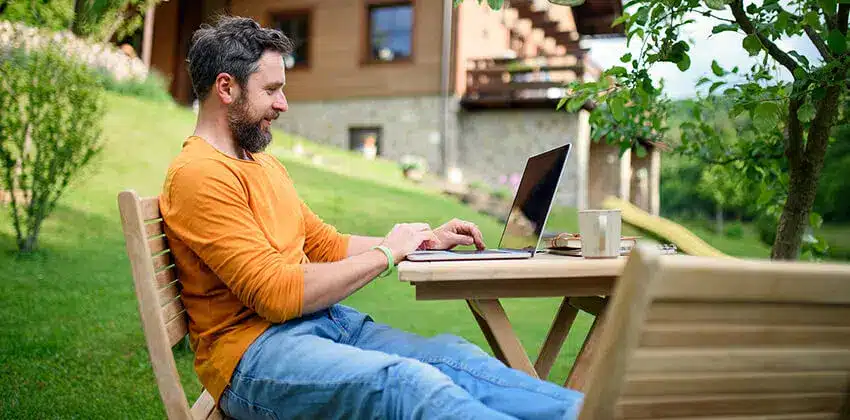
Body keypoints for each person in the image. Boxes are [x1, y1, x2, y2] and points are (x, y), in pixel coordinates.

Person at [159, 15, 584, 420]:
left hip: (326, 325)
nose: (284, 104)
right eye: (271, 90)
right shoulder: (200, 175)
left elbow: (323, 244)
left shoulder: (261, 165)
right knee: (407, 386)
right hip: (254, 356)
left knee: (457, 358)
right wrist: (386, 253)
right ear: (226, 88)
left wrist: (419, 242)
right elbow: (275, 294)